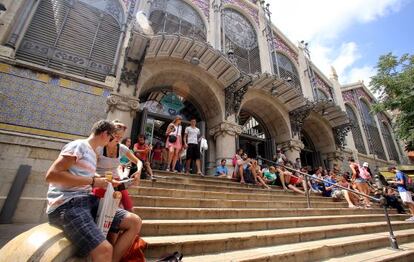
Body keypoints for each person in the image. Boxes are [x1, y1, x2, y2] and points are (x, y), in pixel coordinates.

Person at [45, 120, 142, 262]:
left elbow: (85, 175)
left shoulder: (91, 152)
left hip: (87, 201)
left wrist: (105, 180)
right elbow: (52, 175)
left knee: (134, 221)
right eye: (111, 137)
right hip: (67, 204)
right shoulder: (79, 146)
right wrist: (93, 181)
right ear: (104, 134)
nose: (112, 141)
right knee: (105, 250)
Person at [95, 123, 143, 212]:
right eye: (116, 136)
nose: (118, 140)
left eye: (120, 138)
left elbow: (138, 161)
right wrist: (101, 178)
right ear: (109, 134)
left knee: (129, 208)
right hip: (101, 180)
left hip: (117, 181)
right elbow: (91, 169)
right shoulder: (99, 148)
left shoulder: (122, 148)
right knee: (100, 208)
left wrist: (138, 172)